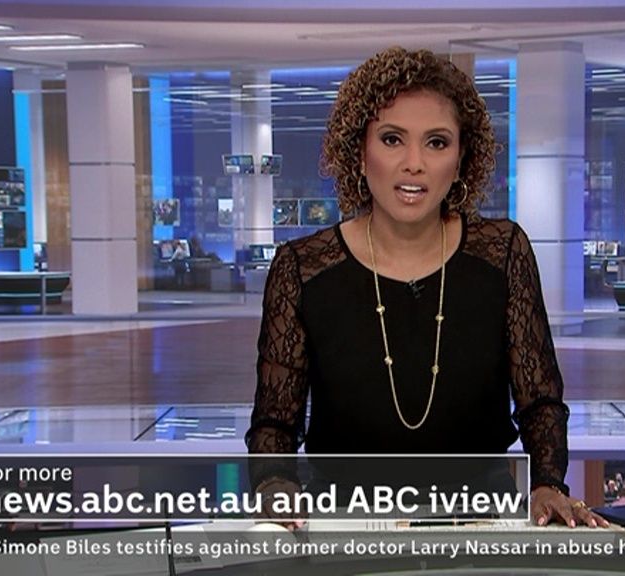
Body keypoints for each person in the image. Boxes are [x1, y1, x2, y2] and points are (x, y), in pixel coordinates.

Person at [246, 46, 605, 529]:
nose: (413, 163)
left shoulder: (503, 253)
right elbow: (274, 423)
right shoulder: (301, 269)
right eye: (392, 139)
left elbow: (540, 400)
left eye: (436, 143)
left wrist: (547, 483)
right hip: (346, 524)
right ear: (360, 152)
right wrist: (275, 485)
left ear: (460, 160)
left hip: (480, 522)